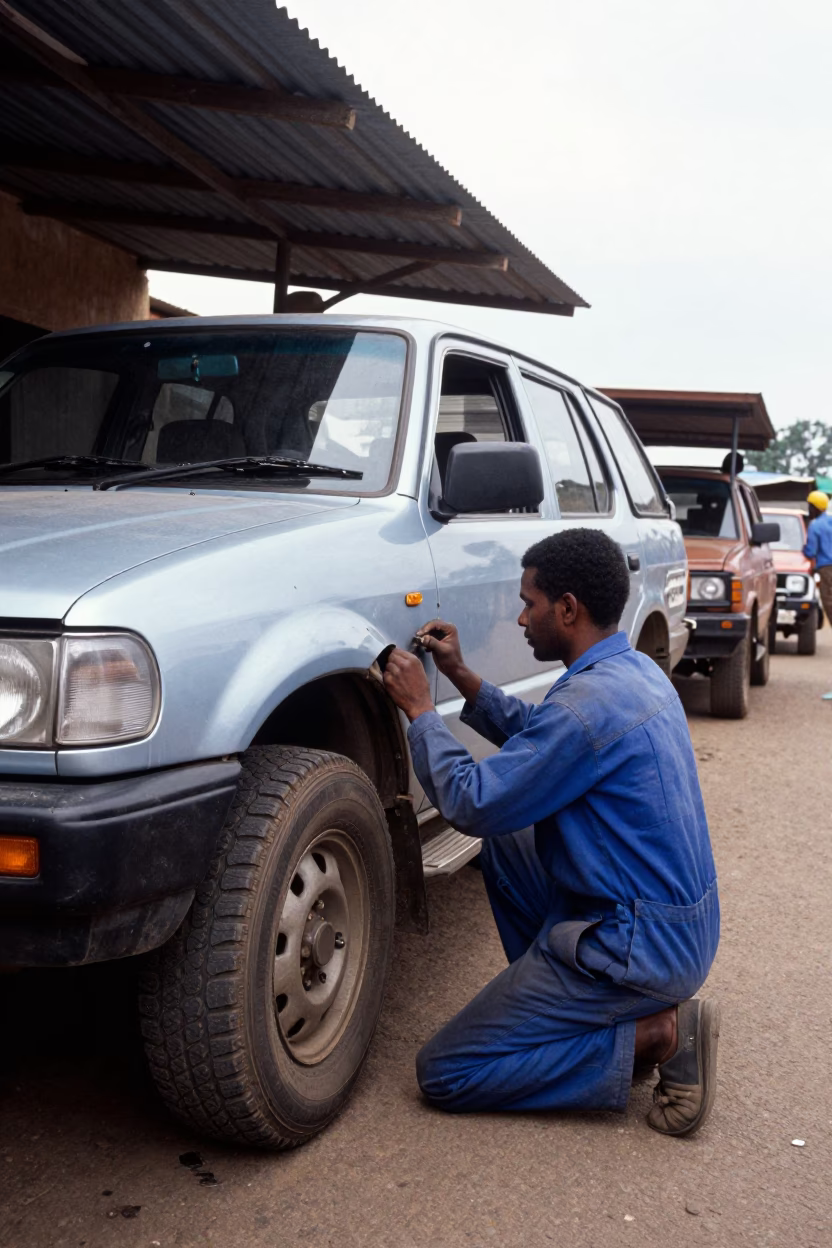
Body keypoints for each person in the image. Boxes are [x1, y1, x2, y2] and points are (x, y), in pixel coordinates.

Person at [382, 528, 720, 1136]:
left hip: (638, 950)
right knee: (511, 843)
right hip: (675, 928)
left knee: (446, 1071)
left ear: (568, 609)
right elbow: (546, 738)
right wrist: (460, 675)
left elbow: (472, 801)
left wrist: (421, 712)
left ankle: (656, 1033)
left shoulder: (587, 706)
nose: (520, 618)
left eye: (529, 603)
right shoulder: (632, 671)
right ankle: (569, 1009)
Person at [803, 489, 832, 699]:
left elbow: (810, 551)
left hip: (827, 572)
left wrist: (804, 552)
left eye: (809, 506)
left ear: (814, 507)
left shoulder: (815, 526)